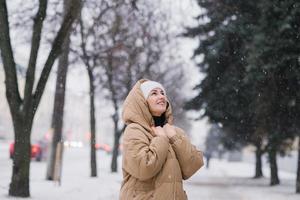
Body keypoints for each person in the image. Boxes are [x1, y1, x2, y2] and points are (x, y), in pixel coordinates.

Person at [120, 79, 204, 200]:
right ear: (142, 101)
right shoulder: (135, 130)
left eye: (162, 93)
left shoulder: (174, 132)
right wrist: (161, 139)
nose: (161, 97)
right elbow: (143, 168)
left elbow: (192, 166)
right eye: (154, 93)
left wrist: (174, 138)